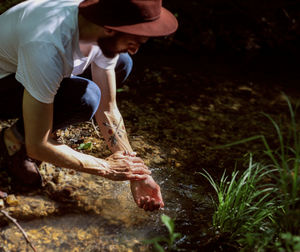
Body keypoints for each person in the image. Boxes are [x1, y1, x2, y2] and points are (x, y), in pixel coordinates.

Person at [0, 0, 178, 212]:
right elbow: (38, 146)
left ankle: (30, 124)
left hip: (27, 66)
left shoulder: (100, 22)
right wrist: (107, 168)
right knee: (86, 98)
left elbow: (108, 109)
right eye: (135, 41)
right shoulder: (47, 45)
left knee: (123, 63)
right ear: (110, 28)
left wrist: (137, 173)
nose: (136, 49)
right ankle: (13, 140)